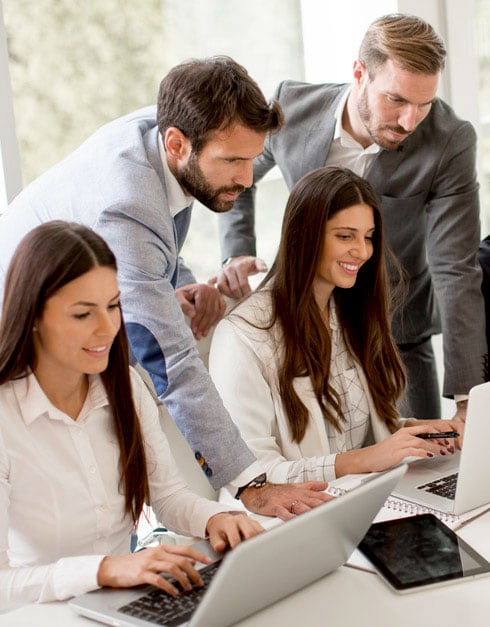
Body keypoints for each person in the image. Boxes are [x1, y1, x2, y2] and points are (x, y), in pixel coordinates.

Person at [0, 57, 331, 517]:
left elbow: (159, 237)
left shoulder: (166, 133)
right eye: (233, 161)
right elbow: (170, 362)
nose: (247, 178)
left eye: (253, 158)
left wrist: (182, 283)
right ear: (177, 143)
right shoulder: (127, 205)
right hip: (22, 341)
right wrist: (252, 485)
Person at [216, 14, 486, 422]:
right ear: (359, 73)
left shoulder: (450, 140)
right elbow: (240, 173)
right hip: (302, 324)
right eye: (396, 100)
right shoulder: (291, 107)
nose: (410, 121)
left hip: (397, 335)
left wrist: (470, 398)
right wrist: (237, 251)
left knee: (426, 466)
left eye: (424, 104)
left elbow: (456, 267)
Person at [0, 221, 265, 609]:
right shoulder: (6, 417)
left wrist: (218, 518)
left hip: (121, 602)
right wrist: (105, 569)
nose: (108, 329)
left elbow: (169, 496)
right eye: (82, 314)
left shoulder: (123, 384)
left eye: (113, 305)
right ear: (33, 316)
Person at [209, 167, 463, 493]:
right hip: (296, 522)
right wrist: (367, 459)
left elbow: (347, 440)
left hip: (365, 499)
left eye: (368, 237)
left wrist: (409, 435)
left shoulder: (349, 314)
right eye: (345, 236)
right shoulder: (243, 334)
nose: (362, 251)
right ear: (305, 235)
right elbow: (252, 478)